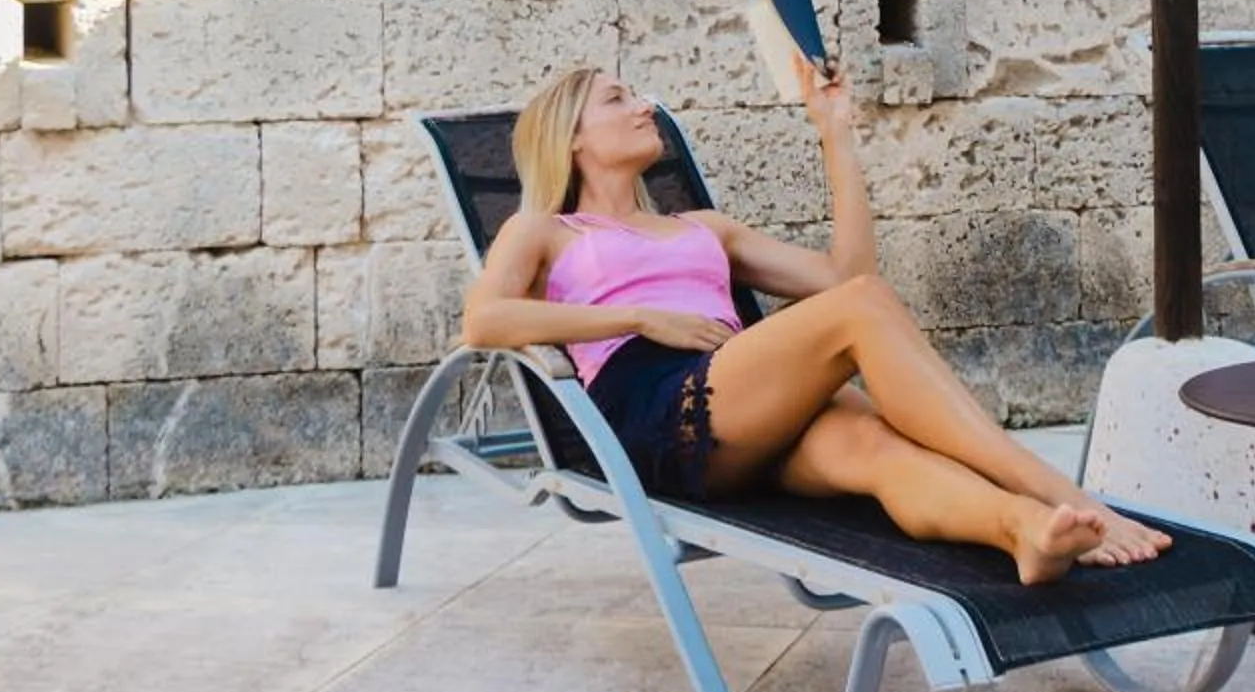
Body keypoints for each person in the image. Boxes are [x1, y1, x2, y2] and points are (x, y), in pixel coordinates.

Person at [462, 59, 1172, 584]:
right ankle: (1062, 492)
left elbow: (848, 279)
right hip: (658, 405)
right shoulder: (547, 231)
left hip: (744, 406)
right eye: (619, 100)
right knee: (861, 315)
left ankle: (1028, 531)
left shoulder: (703, 227)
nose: (645, 105)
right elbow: (484, 321)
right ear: (572, 138)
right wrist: (642, 318)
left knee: (879, 452)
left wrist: (835, 134)